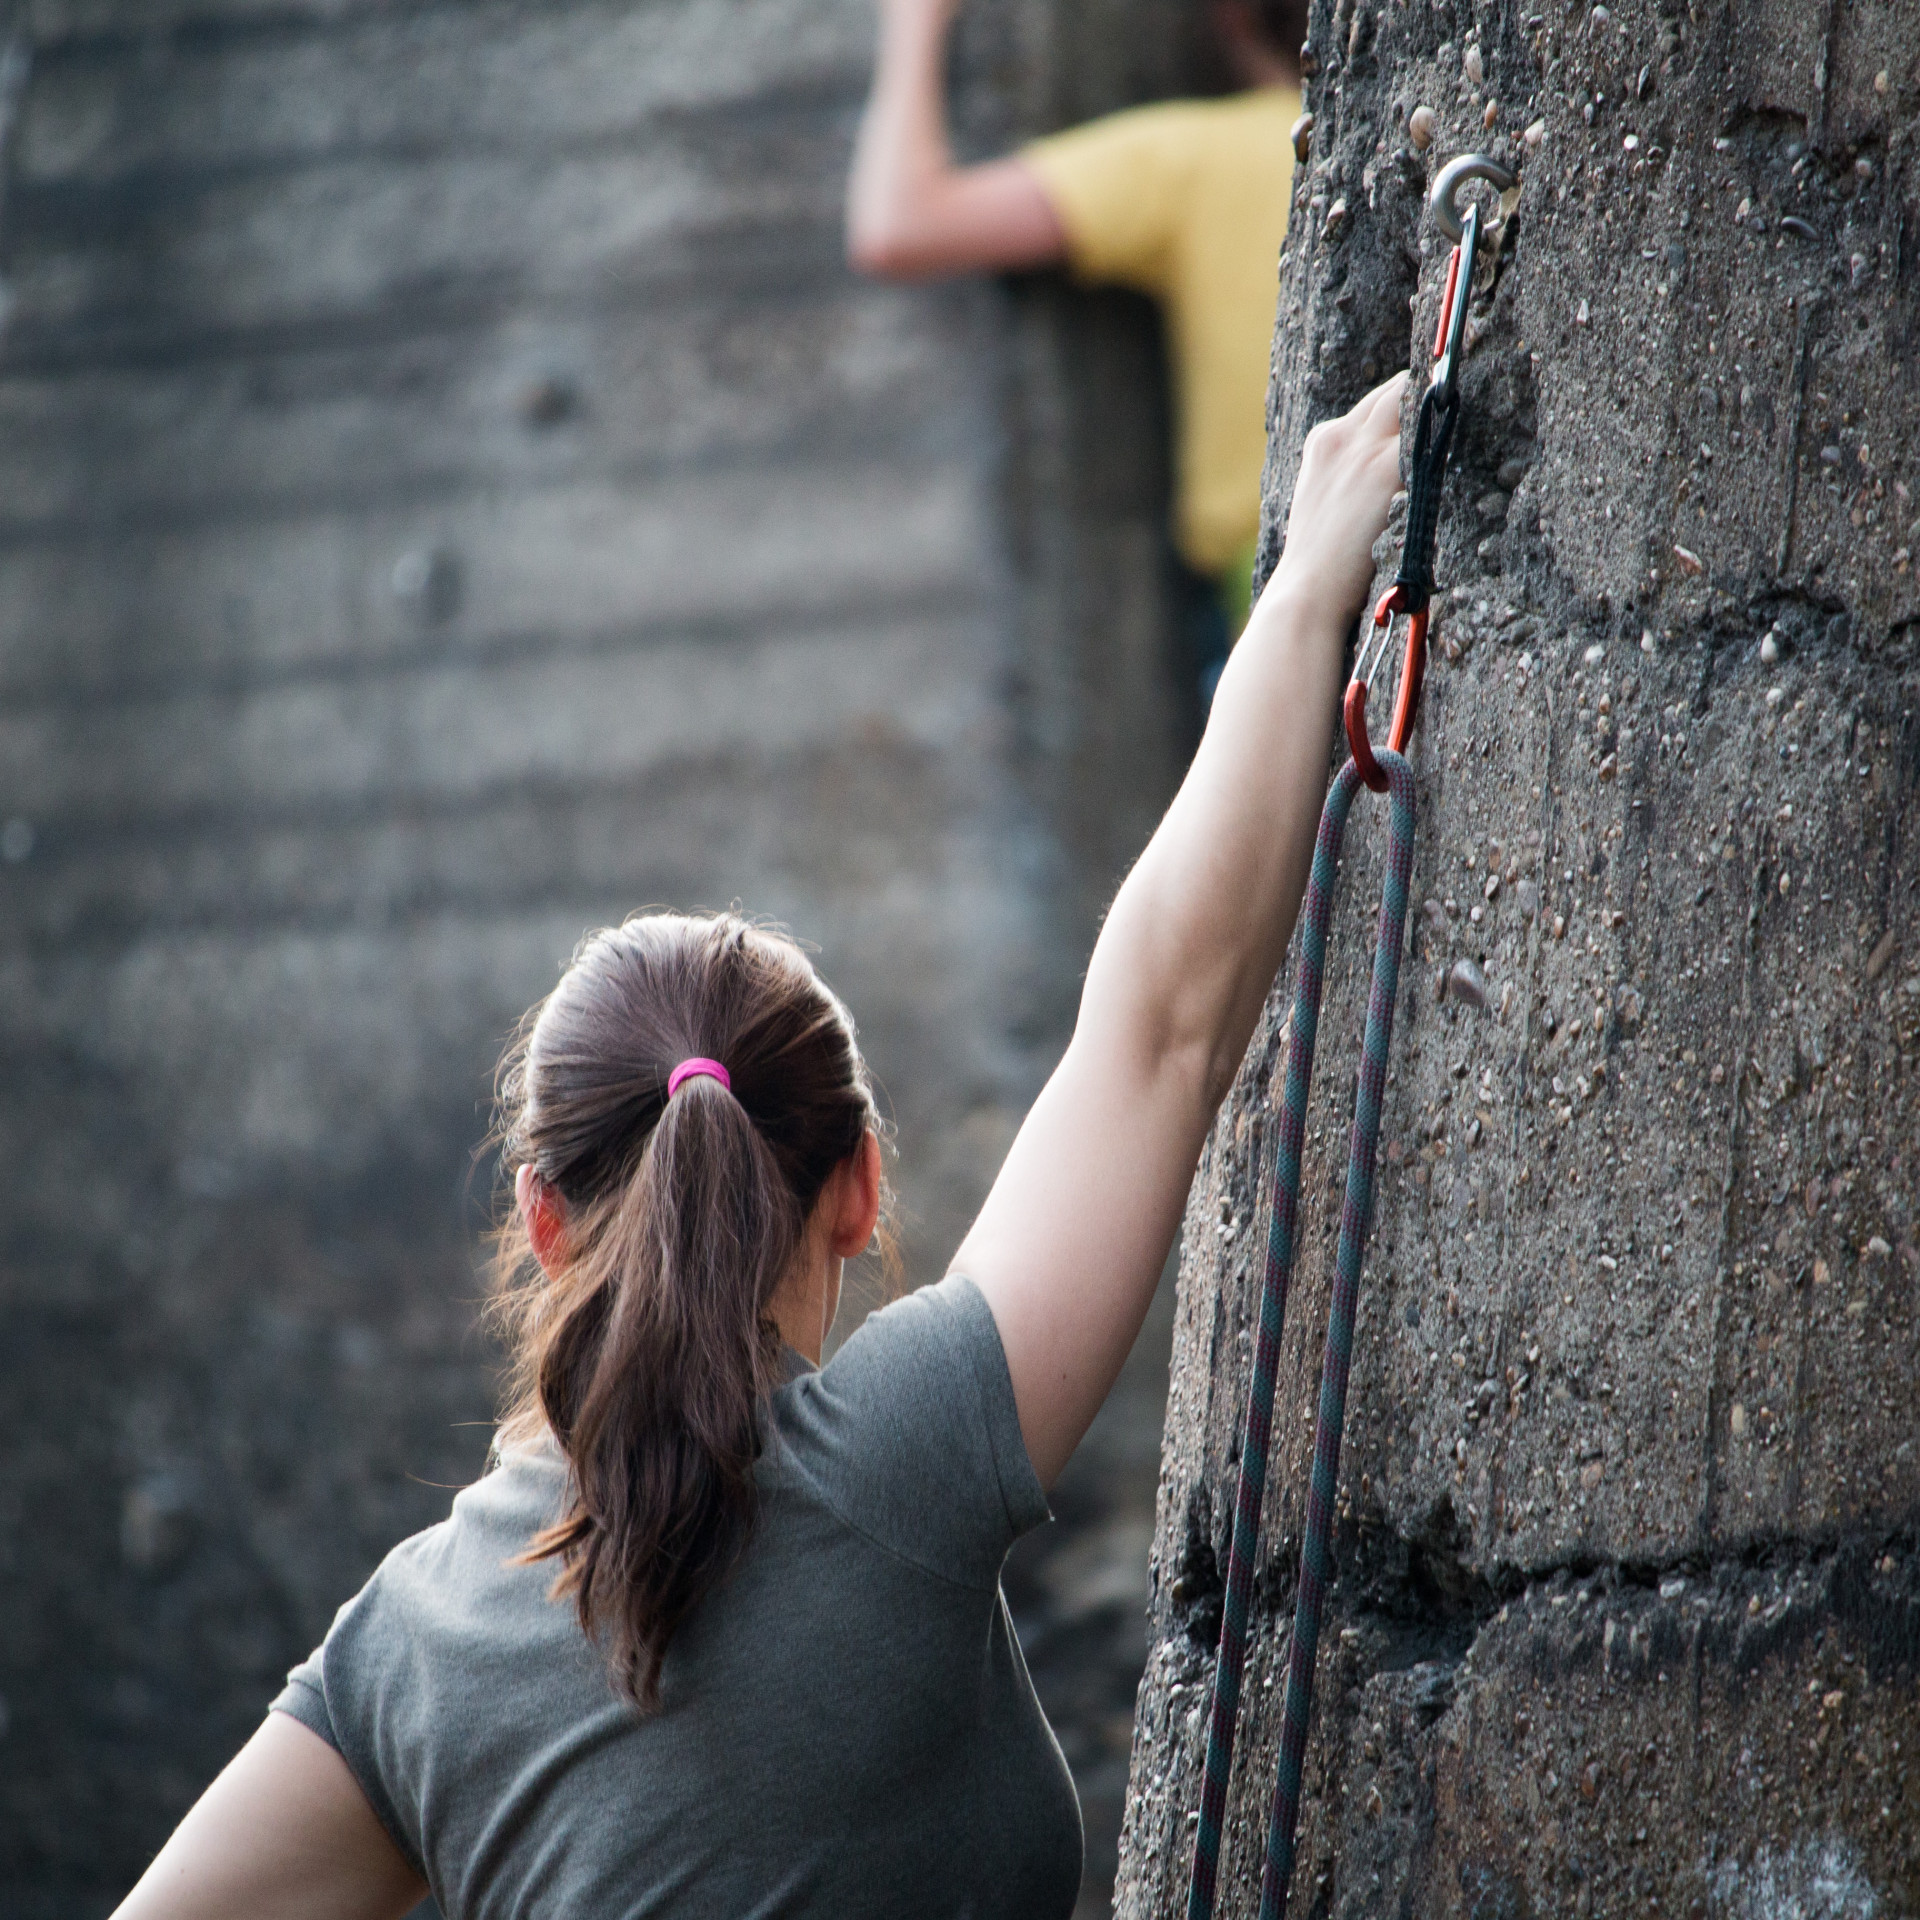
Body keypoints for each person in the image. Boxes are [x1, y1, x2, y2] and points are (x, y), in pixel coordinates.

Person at [110, 374, 1406, 1920]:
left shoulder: (407, 1654)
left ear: (538, 1214)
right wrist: (1317, 576)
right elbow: (1164, 1022)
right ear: (858, 1191)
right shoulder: (908, 1460)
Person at [847, 0, 1309, 697]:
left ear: (1232, 19)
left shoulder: (1199, 159)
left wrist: (916, 22)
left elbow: (900, 224)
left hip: (1270, 606)